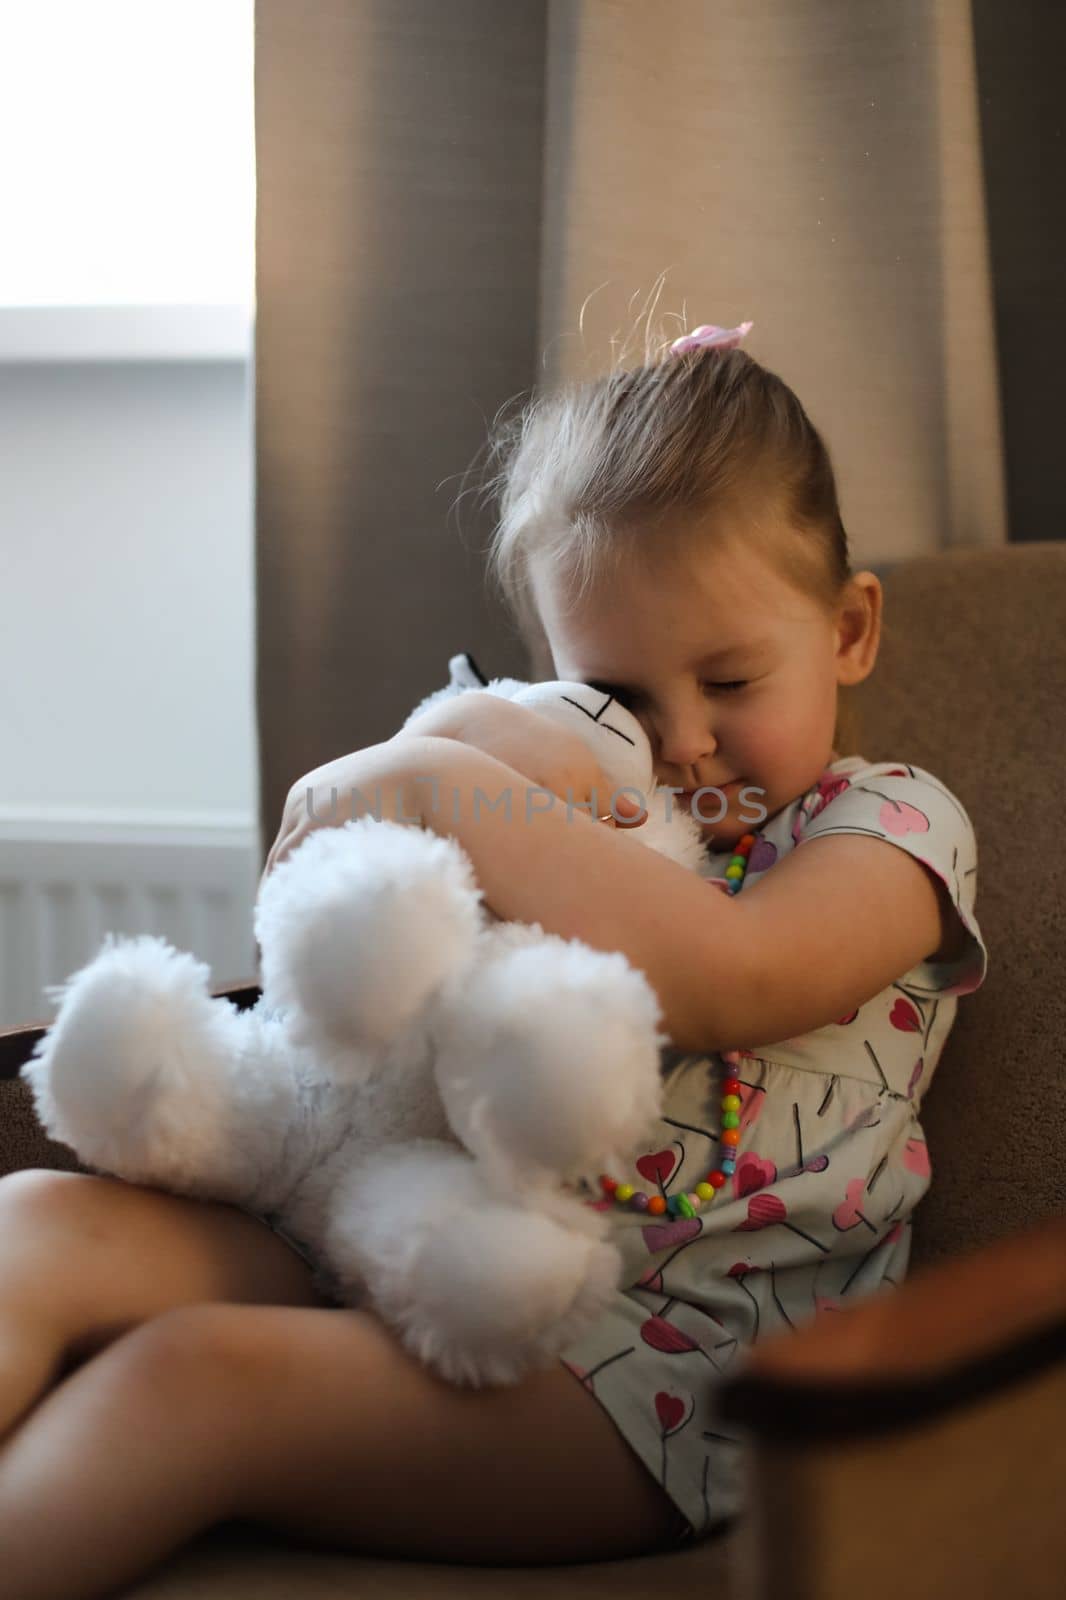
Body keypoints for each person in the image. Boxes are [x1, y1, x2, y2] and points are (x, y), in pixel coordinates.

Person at [0, 318, 987, 1597]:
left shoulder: (893, 825)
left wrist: (424, 777)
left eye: (732, 677)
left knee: (186, 1383)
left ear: (849, 630)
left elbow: (732, 973)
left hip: (668, 1369)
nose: (684, 742)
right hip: (405, 1226)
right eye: (622, 696)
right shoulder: (561, 794)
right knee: (32, 1221)